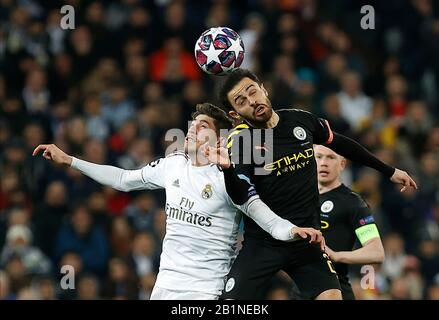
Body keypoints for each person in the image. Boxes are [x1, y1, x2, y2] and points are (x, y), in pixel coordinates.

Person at [32, 103, 323, 300]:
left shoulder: (229, 177)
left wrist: (293, 231)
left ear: (219, 138)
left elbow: (265, 216)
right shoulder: (172, 165)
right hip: (164, 285)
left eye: (203, 126)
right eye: (193, 123)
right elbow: (122, 179)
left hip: (205, 290)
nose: (193, 129)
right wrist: (70, 160)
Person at [217, 68, 417, 300]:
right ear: (235, 114)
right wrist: (228, 170)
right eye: (241, 101)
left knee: (333, 297)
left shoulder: (299, 120)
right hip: (263, 243)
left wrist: (388, 171)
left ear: (264, 89)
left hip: (307, 241)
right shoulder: (241, 141)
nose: (252, 101)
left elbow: (341, 143)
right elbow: (241, 195)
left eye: (252, 91)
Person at [314, 144, 385, 299]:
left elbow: (376, 252)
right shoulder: (300, 196)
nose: (324, 163)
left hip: (335, 288)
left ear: (342, 164)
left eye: (331, 157)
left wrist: (337, 256)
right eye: (318, 157)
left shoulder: (353, 202)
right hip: (299, 289)